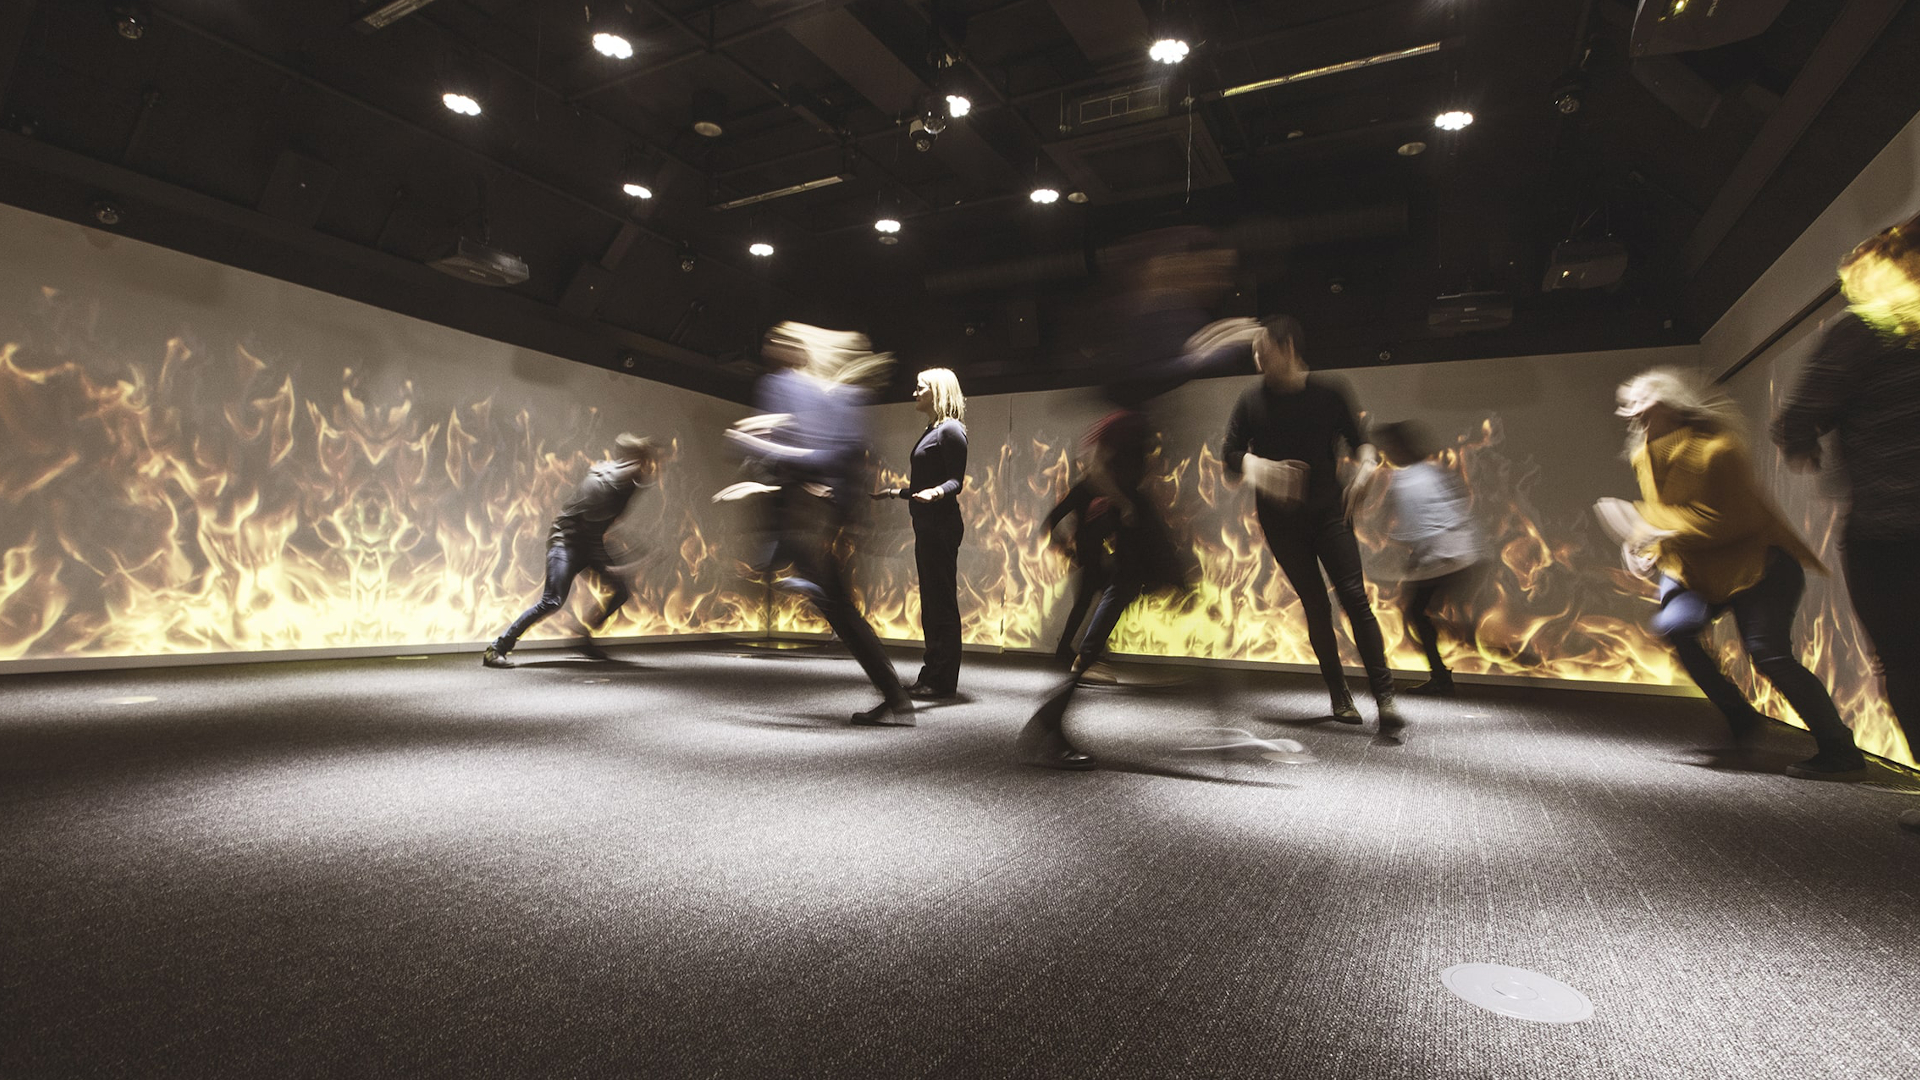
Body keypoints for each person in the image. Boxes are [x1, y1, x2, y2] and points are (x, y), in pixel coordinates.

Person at [1599, 367, 1865, 778]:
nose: (1629, 411)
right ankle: (1741, 716)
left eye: (1640, 400)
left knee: (1770, 655)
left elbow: (1726, 522)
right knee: (1675, 626)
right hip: (1695, 570)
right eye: (1625, 402)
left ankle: (1841, 751)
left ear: (1671, 403)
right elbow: (1671, 515)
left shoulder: (1717, 448)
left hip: (1759, 566)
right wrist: (1644, 544)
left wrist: (1644, 524)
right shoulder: (1644, 454)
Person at [1772, 214, 1920, 771]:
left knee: (1908, 662)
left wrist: (1805, 445)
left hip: (1896, 529)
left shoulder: (1868, 327)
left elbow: (1798, 418)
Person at [1217, 314, 1406, 741]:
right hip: (1280, 522)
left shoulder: (1328, 393)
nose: (1257, 359)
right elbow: (1228, 452)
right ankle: (1339, 694)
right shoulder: (1251, 401)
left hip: (1328, 513)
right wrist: (1258, 466)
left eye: (1262, 352)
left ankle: (1386, 699)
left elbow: (1361, 439)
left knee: (1356, 599)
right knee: (1316, 605)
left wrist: (1367, 466)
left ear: (1286, 350)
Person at [717, 322, 915, 726]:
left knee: (839, 608)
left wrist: (758, 443)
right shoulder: (807, 391)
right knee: (839, 609)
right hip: (818, 516)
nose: (773, 349)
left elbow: (824, 457)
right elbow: (803, 448)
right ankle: (895, 697)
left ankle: (896, 698)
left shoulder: (834, 397)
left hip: (824, 519)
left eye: (783, 343)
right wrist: (766, 444)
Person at [1016, 410, 1195, 769]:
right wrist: (1123, 504)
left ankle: (1054, 716)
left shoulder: (1133, 418)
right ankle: (1052, 721)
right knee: (1104, 609)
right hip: (1126, 536)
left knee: (1130, 596)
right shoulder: (1121, 421)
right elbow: (1094, 469)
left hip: (1131, 536)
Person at [483, 434, 661, 668]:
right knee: (552, 600)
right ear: (630, 460)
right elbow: (586, 530)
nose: (647, 466)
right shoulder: (601, 483)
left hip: (589, 542)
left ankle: (582, 637)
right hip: (566, 543)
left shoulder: (629, 484)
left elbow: (609, 525)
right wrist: (620, 565)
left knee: (620, 592)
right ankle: (497, 647)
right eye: (642, 460)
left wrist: (639, 550)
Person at [871, 368, 968, 700]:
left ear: (937, 392)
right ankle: (933, 674)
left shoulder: (951, 429)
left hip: (941, 526)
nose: (914, 392)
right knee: (932, 602)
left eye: (920, 387)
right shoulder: (933, 430)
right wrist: (896, 492)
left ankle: (942, 682)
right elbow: (925, 483)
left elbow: (956, 481)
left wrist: (936, 494)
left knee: (941, 602)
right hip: (927, 525)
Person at [1373, 420, 1485, 697]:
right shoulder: (1434, 472)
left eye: (1387, 447)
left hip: (1445, 559)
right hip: (1460, 556)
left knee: (1416, 613)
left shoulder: (1406, 480)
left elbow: (1417, 530)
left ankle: (1443, 673)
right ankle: (1451, 660)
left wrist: (1388, 535)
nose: (1386, 453)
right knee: (1422, 613)